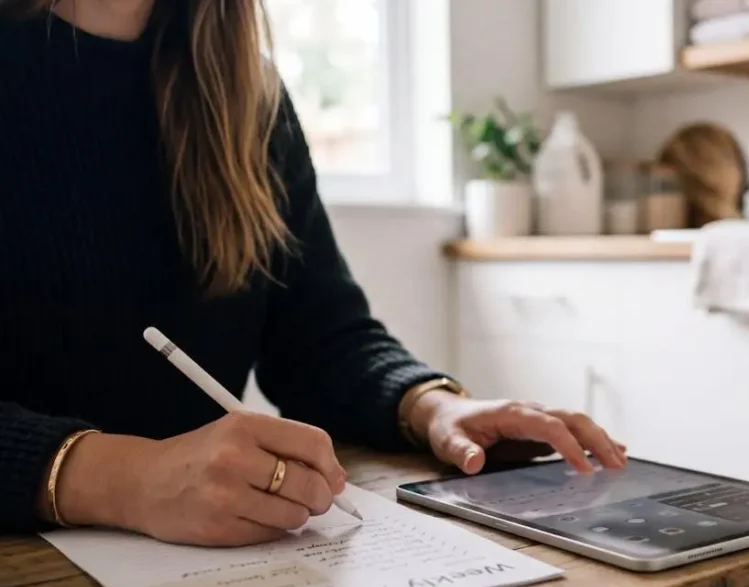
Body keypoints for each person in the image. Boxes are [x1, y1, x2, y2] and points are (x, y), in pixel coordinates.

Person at [0, 0, 626, 546]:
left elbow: (319, 339)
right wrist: (125, 480)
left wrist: (429, 406)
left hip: (208, 563)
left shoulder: (248, 96)